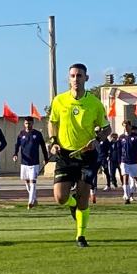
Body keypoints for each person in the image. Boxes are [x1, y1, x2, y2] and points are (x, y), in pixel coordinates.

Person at [48, 63, 110, 247]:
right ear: (69, 79)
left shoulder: (95, 103)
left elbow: (107, 128)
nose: (76, 79)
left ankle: (80, 236)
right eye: (73, 76)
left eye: (79, 76)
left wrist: (97, 140)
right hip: (65, 154)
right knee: (60, 198)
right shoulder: (59, 101)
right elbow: (52, 122)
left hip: (86, 156)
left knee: (84, 197)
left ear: (86, 78)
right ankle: (71, 202)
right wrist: (53, 142)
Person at [13, 116, 49, 209]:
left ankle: (30, 202)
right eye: (26, 123)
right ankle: (34, 198)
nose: (27, 125)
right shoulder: (21, 134)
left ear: (32, 123)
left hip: (34, 162)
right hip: (24, 162)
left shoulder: (37, 134)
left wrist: (46, 158)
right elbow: (17, 145)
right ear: (24, 124)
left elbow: (43, 147)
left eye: (29, 123)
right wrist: (15, 154)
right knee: (27, 181)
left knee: (33, 182)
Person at [118, 120, 137, 203]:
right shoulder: (121, 137)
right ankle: (127, 197)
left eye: (127, 126)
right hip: (124, 160)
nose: (125, 128)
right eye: (124, 126)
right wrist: (119, 160)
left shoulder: (135, 136)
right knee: (125, 177)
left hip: (134, 161)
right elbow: (119, 149)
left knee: (136, 178)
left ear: (130, 127)